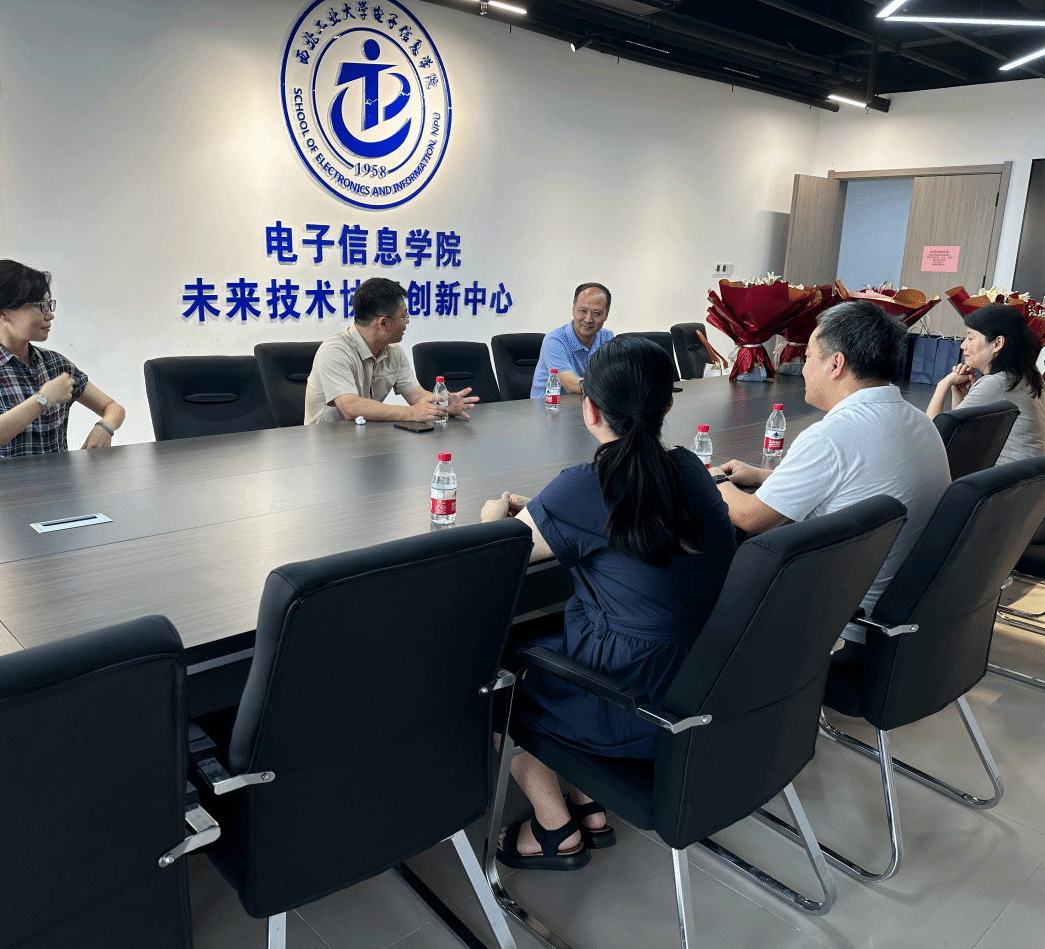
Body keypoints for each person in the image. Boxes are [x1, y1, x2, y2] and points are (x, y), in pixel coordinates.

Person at [480, 336, 736, 871]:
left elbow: (499, 554)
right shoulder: (691, 468)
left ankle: (555, 828)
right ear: (667, 406)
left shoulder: (585, 485)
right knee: (557, 635)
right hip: (701, 689)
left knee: (492, 677)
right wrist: (551, 508)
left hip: (632, 701)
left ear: (590, 409)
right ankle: (591, 802)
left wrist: (490, 518)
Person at [718, 301, 950, 655]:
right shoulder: (919, 421)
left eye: (809, 356)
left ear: (836, 364)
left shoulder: (831, 436)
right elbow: (854, 480)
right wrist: (767, 477)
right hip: (905, 616)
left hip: (838, 624)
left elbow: (752, 519)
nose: (803, 367)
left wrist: (713, 478)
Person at [0, 260, 125, 462]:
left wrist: (105, 427)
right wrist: (42, 399)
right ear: (3, 313)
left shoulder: (54, 364)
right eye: (40, 306)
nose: (50, 315)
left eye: (49, 304)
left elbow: (113, 408)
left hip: (52, 480)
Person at [924, 302, 1045, 542]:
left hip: (1027, 515)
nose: (963, 345)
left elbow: (934, 437)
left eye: (971, 337)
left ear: (998, 343)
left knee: (928, 510)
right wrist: (960, 394)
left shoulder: (997, 383)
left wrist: (943, 385)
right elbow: (959, 438)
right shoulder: (1027, 376)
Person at [304, 277, 480, 424]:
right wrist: (411, 413)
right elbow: (351, 407)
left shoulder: (395, 352)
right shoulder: (334, 351)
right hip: (327, 445)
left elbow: (416, 395)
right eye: (404, 316)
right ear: (383, 323)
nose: (407, 322)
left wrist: (443, 404)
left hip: (368, 439)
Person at [529, 282, 614, 398]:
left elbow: (616, 376)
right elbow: (570, 385)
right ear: (573, 310)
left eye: (597, 313)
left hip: (585, 404)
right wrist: (611, 387)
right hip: (549, 407)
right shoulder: (555, 340)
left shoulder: (607, 338)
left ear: (606, 315)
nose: (588, 319)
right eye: (583, 311)